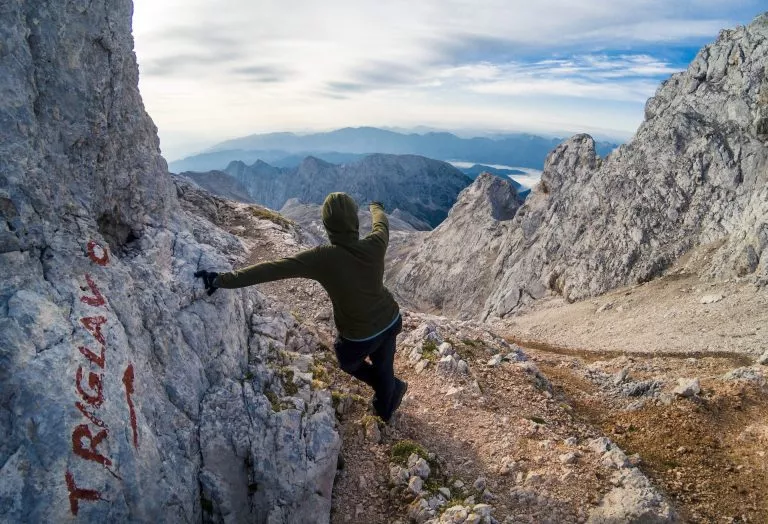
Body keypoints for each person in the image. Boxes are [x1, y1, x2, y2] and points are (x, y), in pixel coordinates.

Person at [195, 193, 407, 422]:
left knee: (346, 360)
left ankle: (391, 388)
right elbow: (381, 223)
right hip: (391, 319)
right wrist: (376, 206)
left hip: (359, 336)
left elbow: (272, 269)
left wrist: (220, 280)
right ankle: (386, 405)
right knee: (384, 365)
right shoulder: (375, 243)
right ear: (355, 222)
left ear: (328, 227)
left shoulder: (323, 258)